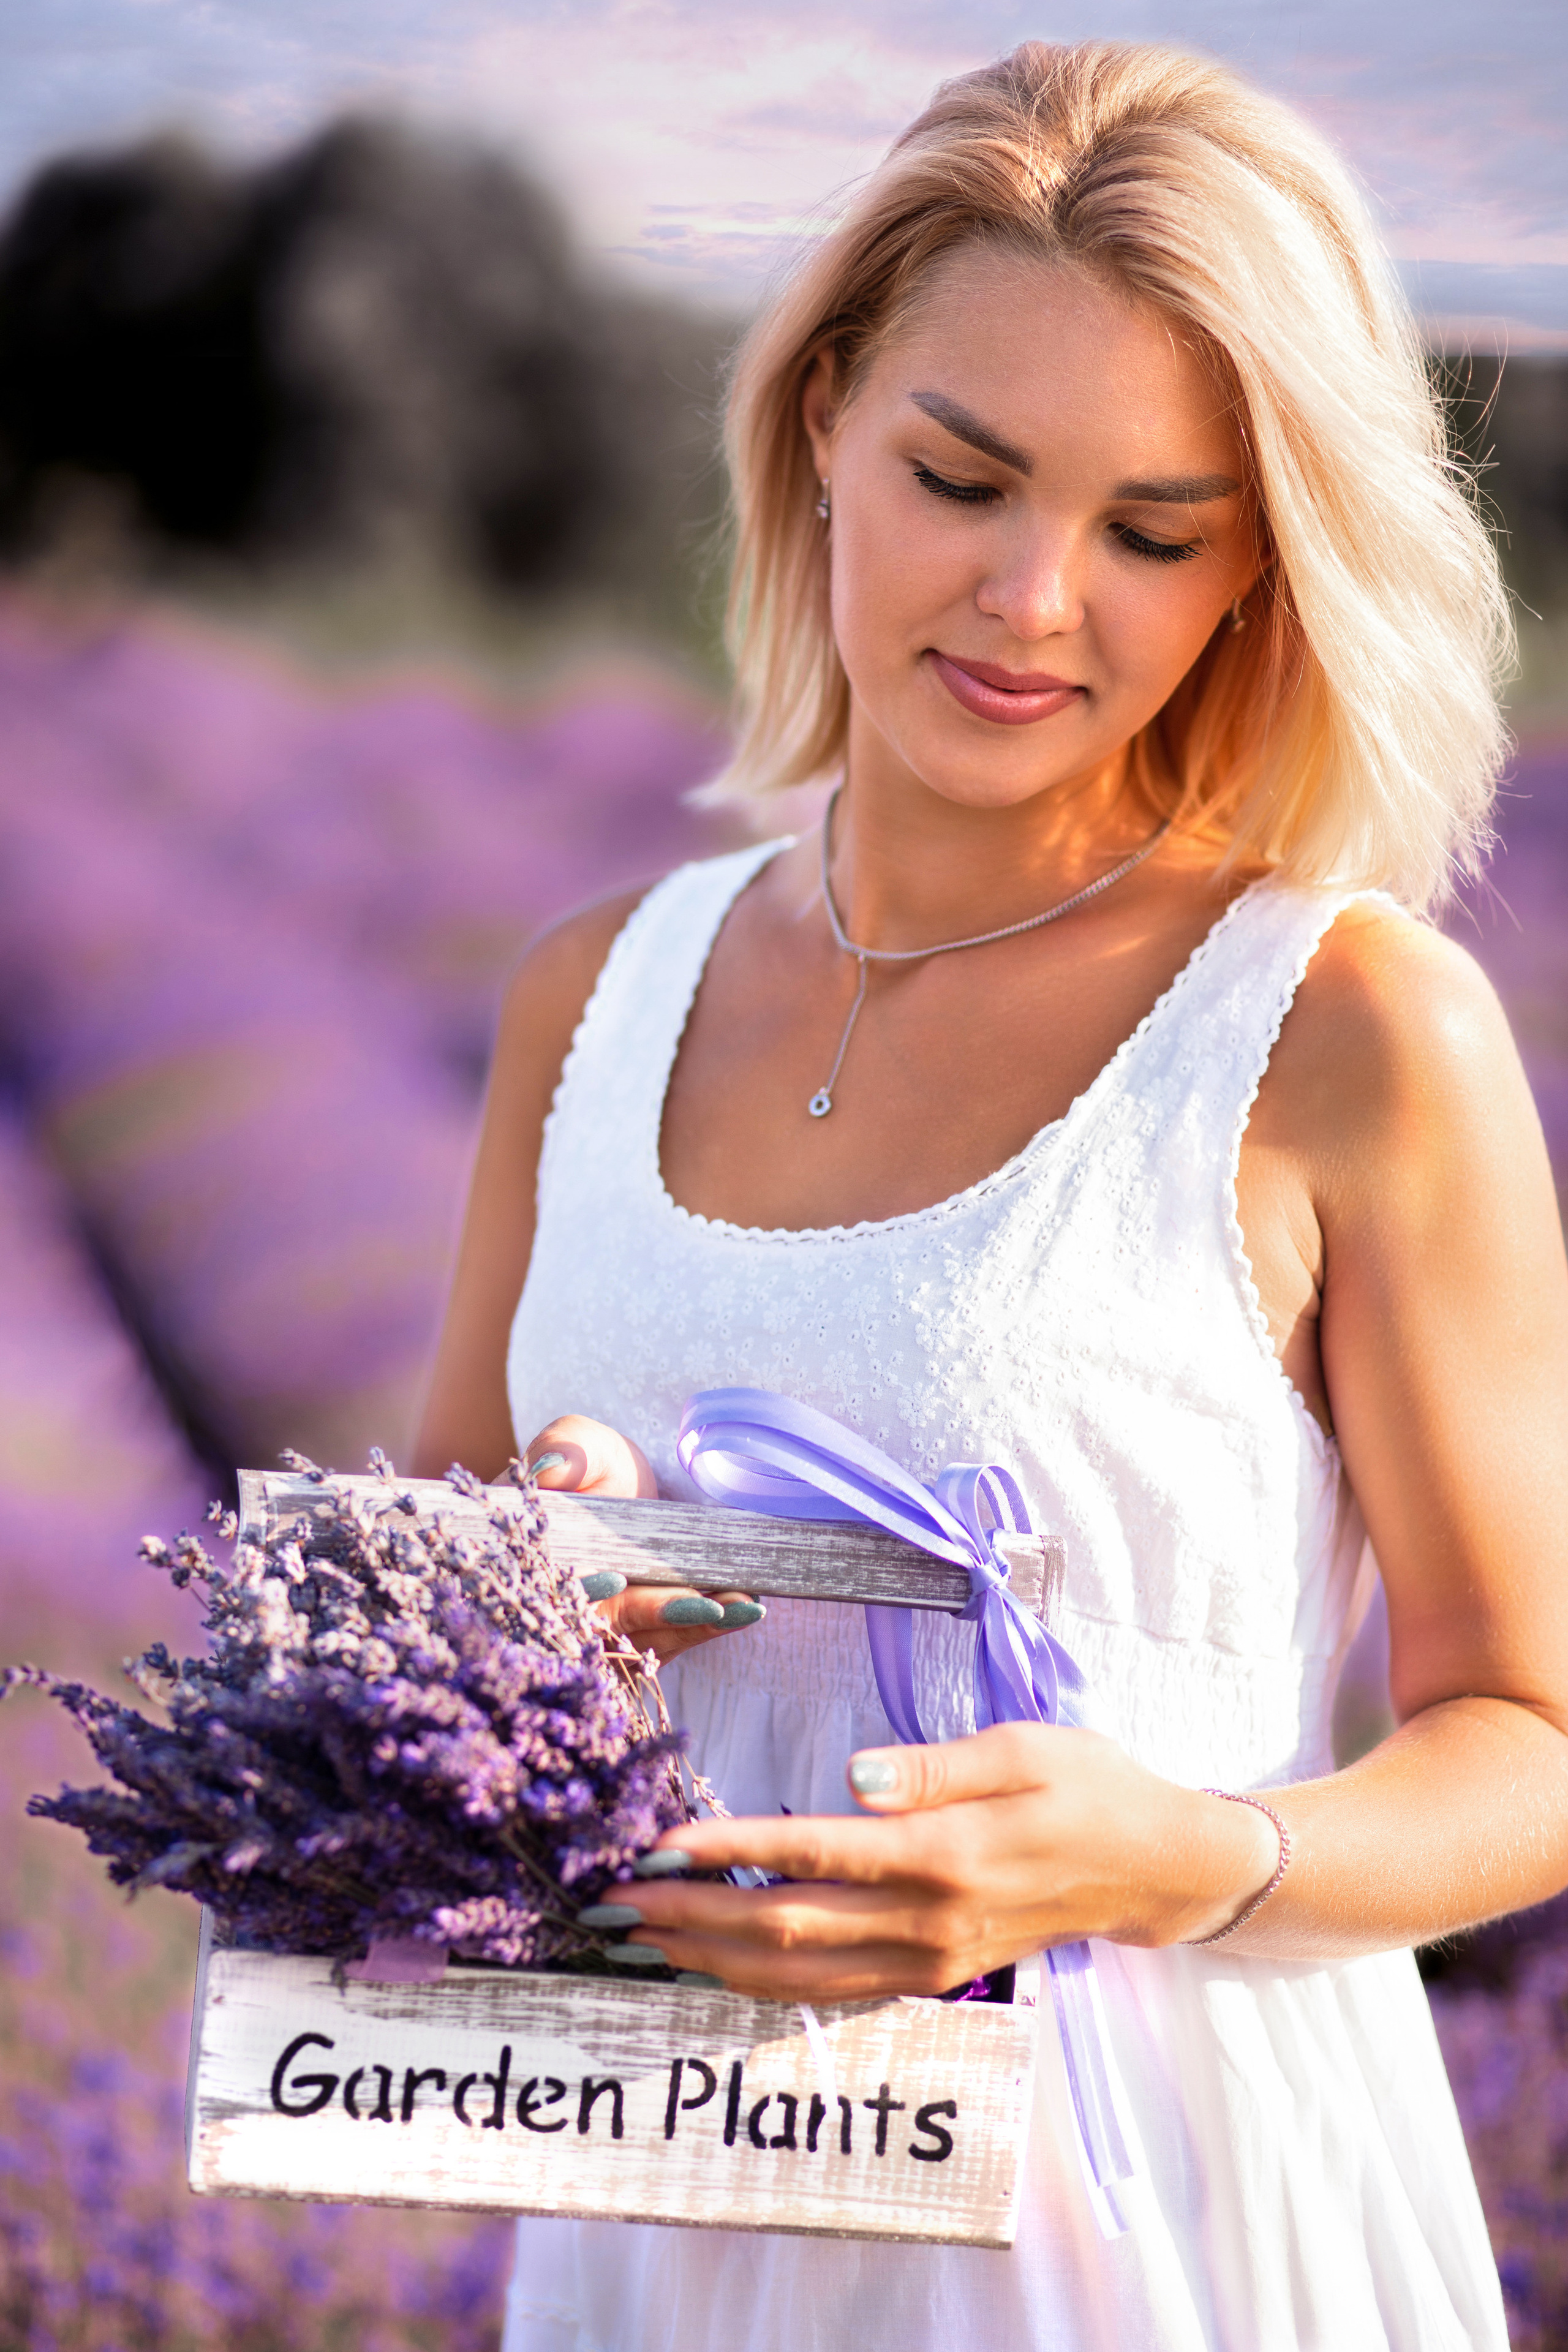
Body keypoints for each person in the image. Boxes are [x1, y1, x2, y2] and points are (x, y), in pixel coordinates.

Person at [412, 39, 1568, 2350]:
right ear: (824, 418)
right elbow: (423, 1605)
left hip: (1155, 2232)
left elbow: (1530, 1745)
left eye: (1157, 531)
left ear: (1260, 570)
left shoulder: (1347, 1026)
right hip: (664, 2209)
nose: (1035, 598)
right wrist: (524, 1599)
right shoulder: (591, 998)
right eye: (963, 478)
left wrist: (1186, 1854)